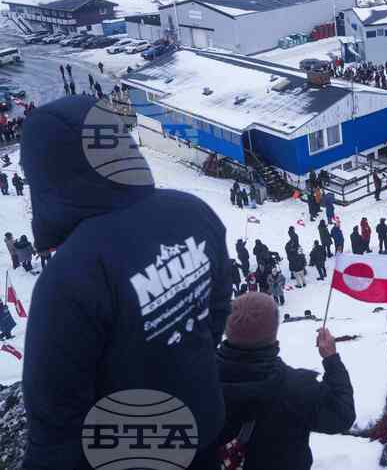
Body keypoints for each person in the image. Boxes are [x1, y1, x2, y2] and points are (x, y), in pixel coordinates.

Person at [20, 95, 231, 468]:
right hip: (202, 422)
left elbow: (55, 418)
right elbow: (216, 313)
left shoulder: (73, 272)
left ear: (47, 170)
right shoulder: (192, 211)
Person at [217, 292, 355, 470]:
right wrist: (332, 359)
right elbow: (342, 415)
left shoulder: (197, 382)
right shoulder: (297, 387)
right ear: (274, 331)